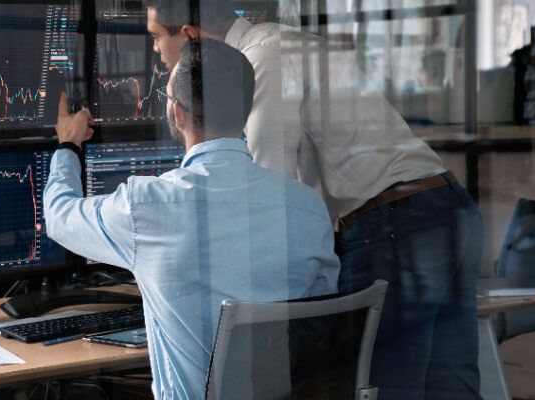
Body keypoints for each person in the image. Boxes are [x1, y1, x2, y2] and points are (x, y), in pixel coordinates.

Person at [144, 1, 484, 399]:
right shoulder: (282, 42)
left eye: (155, 37)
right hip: (446, 206)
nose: (154, 50)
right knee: (451, 387)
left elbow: (269, 186)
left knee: (376, 387)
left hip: (395, 223)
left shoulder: (261, 58)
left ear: (189, 36)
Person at [44, 38, 339, 399]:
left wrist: (67, 146)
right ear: (245, 112)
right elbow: (322, 318)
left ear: (178, 113)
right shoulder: (308, 208)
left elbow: (60, 216)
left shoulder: (146, 206)